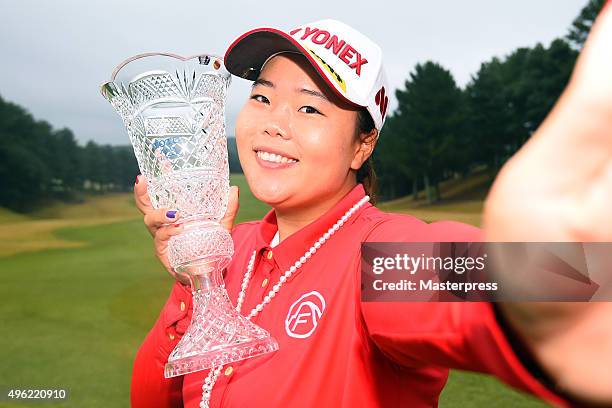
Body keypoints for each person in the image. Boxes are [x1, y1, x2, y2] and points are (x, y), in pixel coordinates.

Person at [130, 11, 612, 408]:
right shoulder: (230, 248)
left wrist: (564, 280)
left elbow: (475, 282)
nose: (273, 123)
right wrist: (196, 281)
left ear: (363, 146)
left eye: (310, 109)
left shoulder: (377, 256)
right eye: (261, 97)